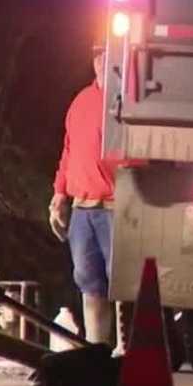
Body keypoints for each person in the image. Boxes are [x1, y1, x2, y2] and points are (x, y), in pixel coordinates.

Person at [50, 46, 120, 347]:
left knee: (121, 285)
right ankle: (97, 350)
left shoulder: (125, 102)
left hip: (116, 208)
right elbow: (68, 151)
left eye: (108, 54)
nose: (102, 60)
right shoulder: (81, 101)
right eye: (97, 54)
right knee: (89, 284)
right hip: (82, 210)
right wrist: (59, 194)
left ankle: (124, 349)